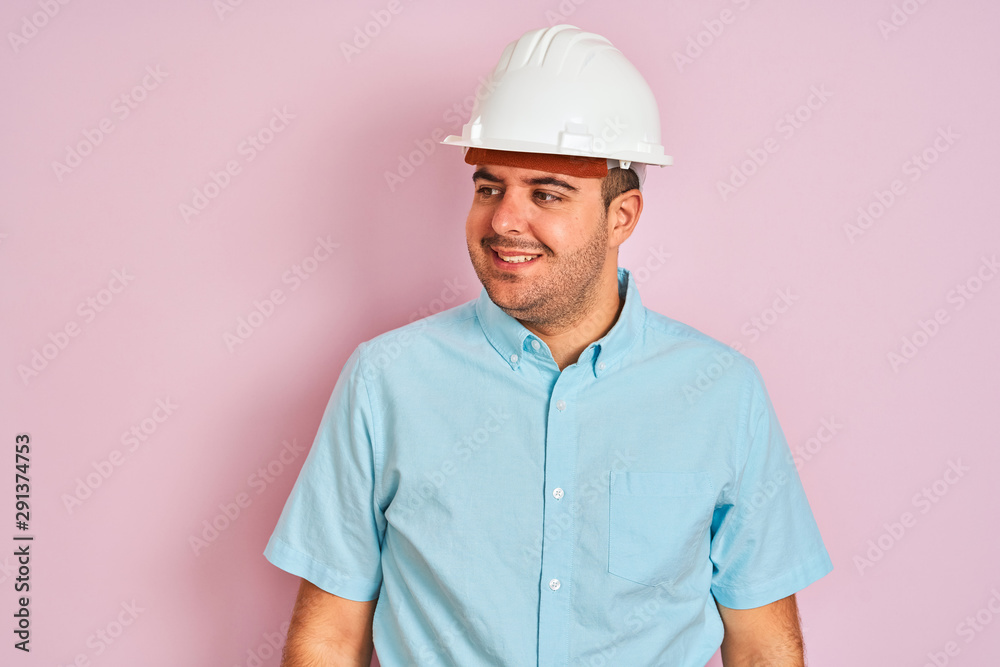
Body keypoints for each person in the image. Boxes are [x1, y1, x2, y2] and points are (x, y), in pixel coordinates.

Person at [264, 24, 833, 666]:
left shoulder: (722, 392)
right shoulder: (386, 380)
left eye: (546, 193)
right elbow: (330, 636)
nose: (505, 219)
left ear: (623, 217)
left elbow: (762, 646)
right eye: (489, 187)